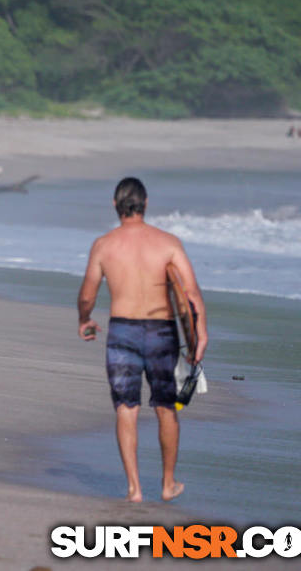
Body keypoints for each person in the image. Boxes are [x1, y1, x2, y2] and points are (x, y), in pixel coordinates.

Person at [77, 177, 208, 503]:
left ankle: (134, 489)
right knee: (166, 407)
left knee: (126, 407)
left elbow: (87, 295)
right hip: (161, 332)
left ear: (115, 205)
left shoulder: (104, 245)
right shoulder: (168, 243)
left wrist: (85, 319)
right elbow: (190, 294)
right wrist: (200, 333)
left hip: (122, 332)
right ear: (145, 203)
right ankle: (167, 484)